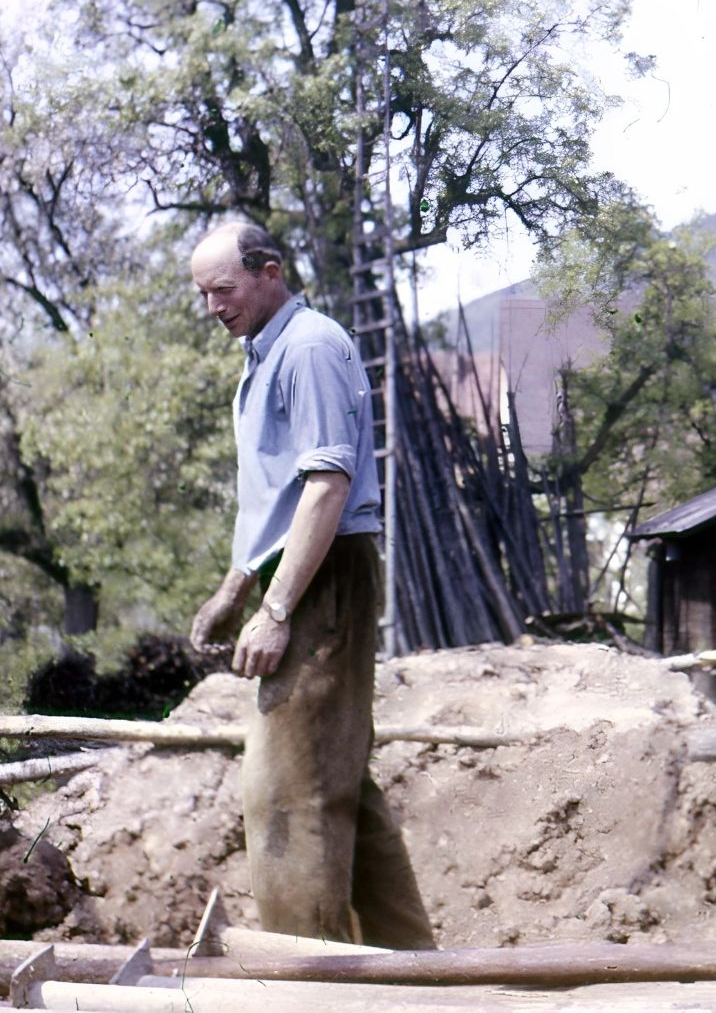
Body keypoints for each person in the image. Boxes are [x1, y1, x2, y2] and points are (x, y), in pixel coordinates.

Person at [186, 220, 436, 949]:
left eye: (224, 290)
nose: (214, 308)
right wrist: (235, 588)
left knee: (288, 794)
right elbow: (276, 498)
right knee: (337, 780)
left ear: (271, 270)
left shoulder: (311, 346)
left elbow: (327, 486)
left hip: (325, 576)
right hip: (298, 571)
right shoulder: (265, 355)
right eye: (203, 295)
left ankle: (308, 977)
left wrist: (275, 608)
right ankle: (411, 970)